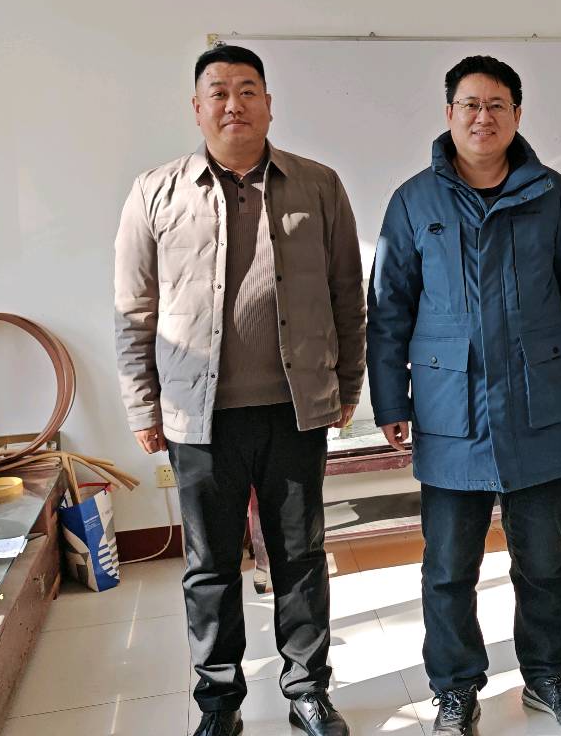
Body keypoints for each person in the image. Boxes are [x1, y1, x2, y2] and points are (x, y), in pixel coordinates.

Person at [114, 44, 366, 736]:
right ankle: (219, 704)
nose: (234, 104)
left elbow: (349, 294)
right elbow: (134, 310)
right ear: (197, 108)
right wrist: (142, 405)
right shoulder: (155, 191)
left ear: (269, 104)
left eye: (248, 90)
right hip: (198, 418)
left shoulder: (319, 185)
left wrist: (348, 384)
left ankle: (307, 690)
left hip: (295, 409)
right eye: (219, 92)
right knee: (211, 567)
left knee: (300, 558)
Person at [368, 56, 561, 736]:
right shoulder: (414, 201)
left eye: (497, 105)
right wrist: (390, 400)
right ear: (449, 113)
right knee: (449, 569)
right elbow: (388, 309)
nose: (484, 117)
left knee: (544, 563)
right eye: (471, 105)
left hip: (538, 404)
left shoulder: (553, 194)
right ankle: (455, 690)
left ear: (517, 114)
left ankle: (548, 677)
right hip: (450, 412)